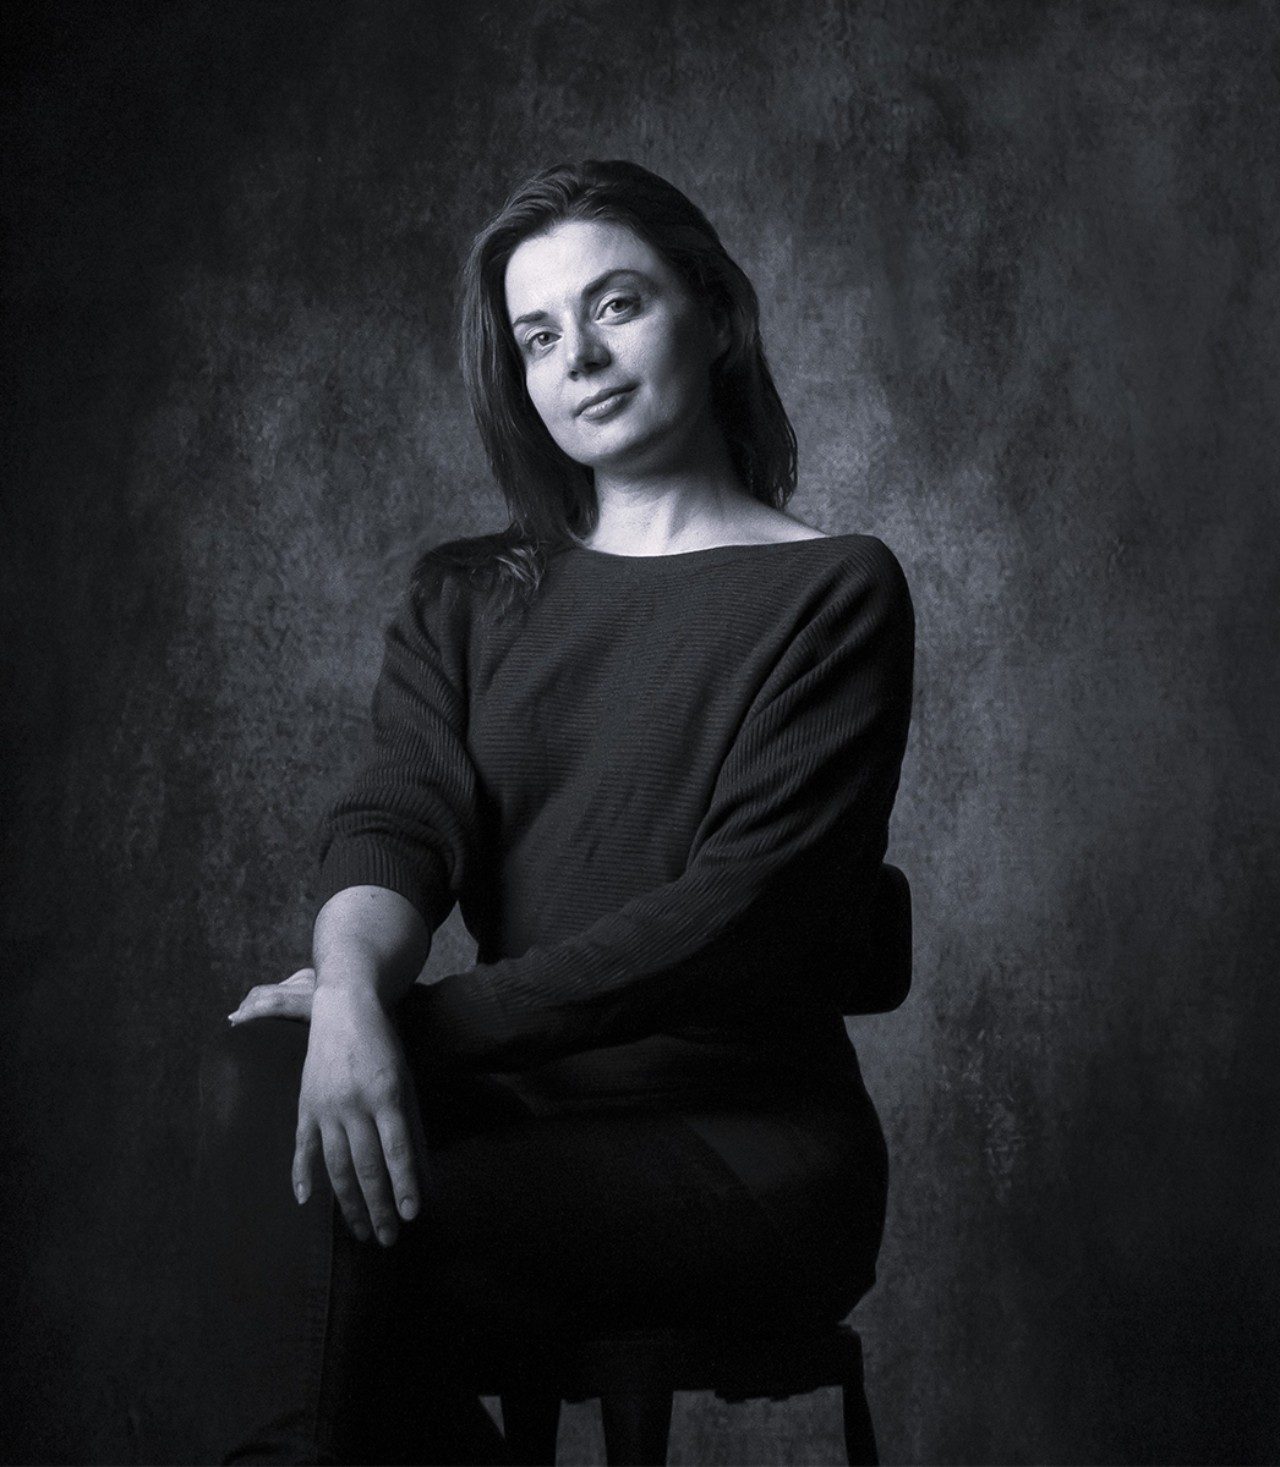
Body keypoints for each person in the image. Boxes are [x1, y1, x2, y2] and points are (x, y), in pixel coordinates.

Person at [198, 158, 914, 1465]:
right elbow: (399, 819)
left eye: (615, 305)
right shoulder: (468, 597)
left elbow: (727, 922)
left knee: (361, 1221)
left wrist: (412, 1029)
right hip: (522, 1115)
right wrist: (350, 991)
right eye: (537, 335)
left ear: (715, 313)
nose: (576, 357)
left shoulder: (834, 591)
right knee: (258, 1109)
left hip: (746, 1151)